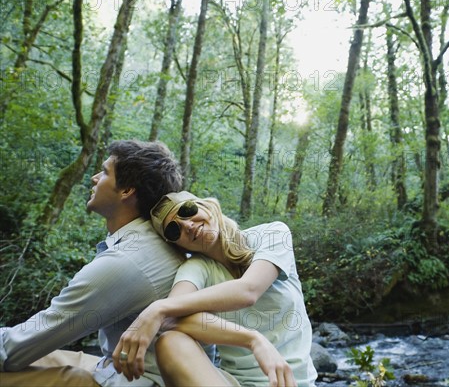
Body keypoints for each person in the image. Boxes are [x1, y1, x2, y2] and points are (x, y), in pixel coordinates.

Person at [0, 140, 184, 387]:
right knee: (51, 357)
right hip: (119, 367)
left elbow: (23, 345)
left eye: (105, 172)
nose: (95, 179)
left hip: (133, 380)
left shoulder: (126, 261)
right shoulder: (151, 242)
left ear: (126, 190)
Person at [114, 191, 317, 387]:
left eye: (187, 211)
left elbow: (248, 291)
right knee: (170, 341)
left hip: (293, 383)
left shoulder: (272, 234)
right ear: (177, 245)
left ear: (208, 206)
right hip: (234, 382)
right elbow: (171, 319)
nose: (188, 225)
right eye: (174, 230)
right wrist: (252, 339)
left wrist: (158, 308)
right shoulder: (196, 268)